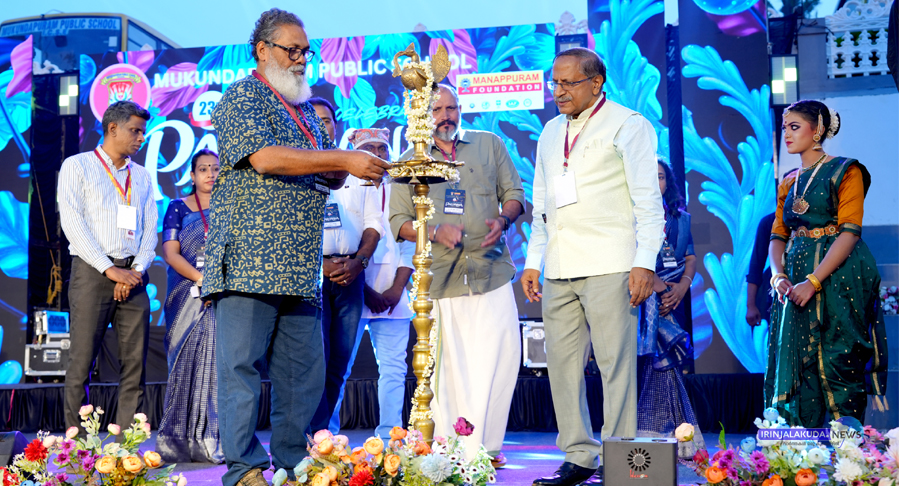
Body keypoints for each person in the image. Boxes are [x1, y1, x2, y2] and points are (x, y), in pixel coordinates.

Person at [204, 9, 390, 486]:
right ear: (262, 50)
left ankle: (292, 465)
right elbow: (265, 159)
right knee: (242, 370)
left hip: (301, 267)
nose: (302, 59)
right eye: (292, 50)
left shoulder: (306, 109)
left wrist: (347, 165)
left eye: (306, 51)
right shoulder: (242, 96)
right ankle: (244, 469)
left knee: (303, 375)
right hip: (249, 259)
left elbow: (327, 174)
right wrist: (341, 156)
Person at [521, 48, 664, 486]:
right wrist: (533, 261)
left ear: (596, 82)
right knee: (562, 367)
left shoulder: (628, 124)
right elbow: (542, 206)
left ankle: (618, 458)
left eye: (569, 83)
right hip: (558, 265)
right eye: (555, 82)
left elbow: (648, 202)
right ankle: (579, 456)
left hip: (611, 263)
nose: (559, 91)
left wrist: (644, 263)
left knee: (614, 365)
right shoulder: (550, 131)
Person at [389, 84, 525, 465]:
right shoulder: (410, 161)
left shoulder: (488, 144)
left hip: (491, 272)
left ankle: (486, 448)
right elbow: (398, 221)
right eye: (437, 110)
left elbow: (515, 193)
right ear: (423, 116)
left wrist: (504, 219)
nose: (445, 116)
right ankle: (451, 450)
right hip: (442, 280)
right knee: (449, 371)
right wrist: (433, 232)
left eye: (452, 108)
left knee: (501, 360)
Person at [767, 100, 887, 427]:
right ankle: (800, 451)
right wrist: (778, 276)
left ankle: (847, 450)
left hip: (839, 276)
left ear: (818, 129)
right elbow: (777, 235)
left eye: (795, 127)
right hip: (794, 276)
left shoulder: (846, 171)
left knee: (838, 356)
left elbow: (850, 233)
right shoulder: (789, 181)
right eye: (784, 128)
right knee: (797, 362)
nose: (786, 134)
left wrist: (813, 282)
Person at [58, 100, 157, 433]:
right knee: (82, 361)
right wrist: (108, 269)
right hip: (92, 273)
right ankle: (78, 446)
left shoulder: (141, 176)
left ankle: (128, 442)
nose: (141, 137)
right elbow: (72, 223)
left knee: (135, 365)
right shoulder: (77, 166)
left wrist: (135, 270)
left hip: (134, 275)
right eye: (135, 131)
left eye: (143, 132)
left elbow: (150, 229)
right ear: (112, 128)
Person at [331, 128, 416, 438]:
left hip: (393, 294)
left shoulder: (401, 188)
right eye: (370, 149)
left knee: (394, 368)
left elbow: (410, 244)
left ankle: (390, 439)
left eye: (383, 149)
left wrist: (396, 290)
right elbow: (342, 241)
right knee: (339, 368)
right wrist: (364, 291)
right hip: (351, 290)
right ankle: (328, 439)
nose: (378, 155)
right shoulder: (341, 185)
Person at [310, 128, 384, 434]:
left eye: (328, 120)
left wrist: (359, 263)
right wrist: (320, 264)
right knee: (315, 360)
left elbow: (374, 224)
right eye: (318, 120)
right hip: (312, 275)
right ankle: (310, 437)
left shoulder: (359, 170)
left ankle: (323, 438)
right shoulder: (300, 168)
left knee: (339, 363)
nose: (323, 126)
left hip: (351, 275)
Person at [157, 149, 223, 463]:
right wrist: (201, 279)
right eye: (203, 169)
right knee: (183, 363)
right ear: (193, 175)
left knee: (216, 367)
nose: (210, 174)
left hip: (222, 295)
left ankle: (212, 440)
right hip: (186, 294)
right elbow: (171, 253)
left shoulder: (231, 206)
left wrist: (217, 283)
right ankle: (177, 442)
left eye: (216, 168)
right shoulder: (177, 207)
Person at [635, 160, 705, 457]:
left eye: (661, 177)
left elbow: (690, 258)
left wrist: (681, 287)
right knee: (645, 366)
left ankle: (674, 437)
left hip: (673, 300)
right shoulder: (632, 216)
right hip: (640, 299)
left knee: (669, 368)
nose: (656, 182)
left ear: (669, 183)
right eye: (650, 177)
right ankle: (645, 436)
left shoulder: (681, 219)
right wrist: (659, 287)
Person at [746, 212, 776, 327]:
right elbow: (756, 266)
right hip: (775, 293)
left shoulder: (812, 220)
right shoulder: (769, 222)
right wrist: (751, 306)